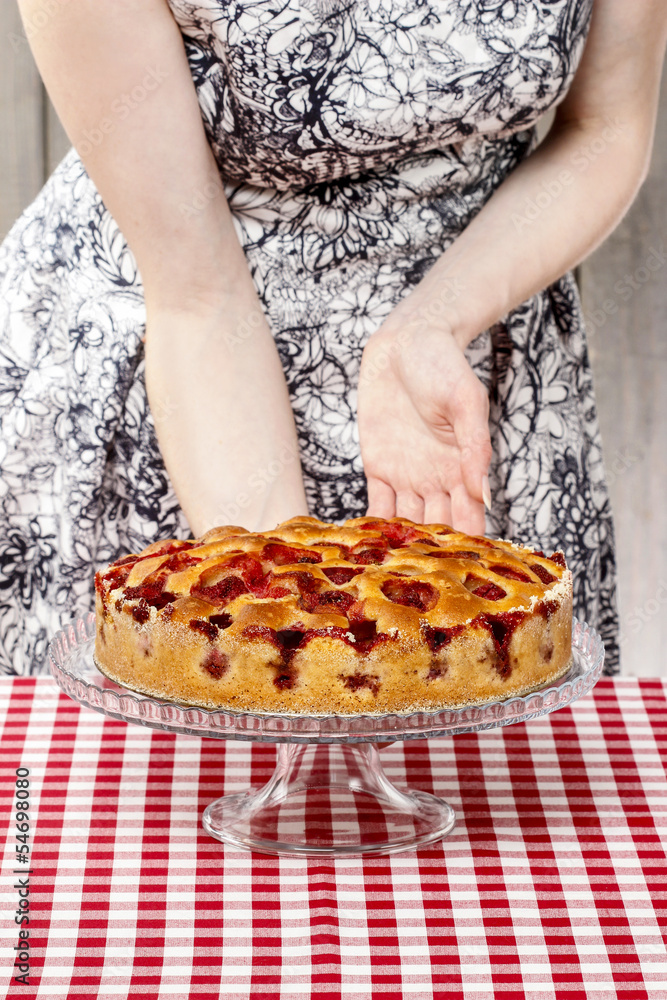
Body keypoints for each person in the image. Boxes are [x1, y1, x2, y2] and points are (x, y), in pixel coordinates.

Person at [1, 0, 665, 677]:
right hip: (186, 377)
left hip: (468, 370)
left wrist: (432, 320)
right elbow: (198, 297)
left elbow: (605, 126)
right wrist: (286, 614)